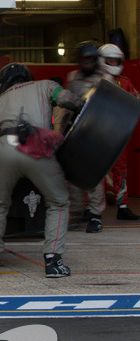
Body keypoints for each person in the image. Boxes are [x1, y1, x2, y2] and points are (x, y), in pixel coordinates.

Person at [0, 63, 84, 278]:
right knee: (58, 201)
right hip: (35, 145)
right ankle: (53, 262)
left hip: (5, 148)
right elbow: (68, 100)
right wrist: (83, 105)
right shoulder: (46, 85)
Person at [64, 41, 107, 233]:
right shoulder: (72, 78)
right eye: (84, 60)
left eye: (90, 60)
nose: (87, 63)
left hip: (96, 133)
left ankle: (96, 216)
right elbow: (65, 103)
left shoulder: (105, 79)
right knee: (73, 176)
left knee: (94, 177)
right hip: (75, 130)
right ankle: (75, 213)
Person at [98, 43, 140, 221]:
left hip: (118, 133)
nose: (114, 63)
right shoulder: (94, 80)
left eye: (116, 60)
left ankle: (122, 206)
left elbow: (136, 102)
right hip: (96, 134)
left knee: (121, 171)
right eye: (110, 60)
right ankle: (92, 210)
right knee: (96, 171)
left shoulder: (125, 82)